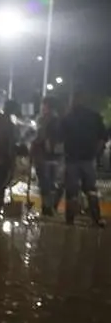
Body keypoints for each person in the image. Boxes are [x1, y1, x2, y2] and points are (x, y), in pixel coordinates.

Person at [62, 90, 106, 227]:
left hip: (72, 159)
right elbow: (102, 138)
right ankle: (96, 218)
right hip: (88, 159)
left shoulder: (68, 117)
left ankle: (70, 220)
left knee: (72, 192)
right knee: (91, 190)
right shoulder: (94, 116)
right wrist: (95, 153)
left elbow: (60, 138)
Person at [31, 97, 64, 217]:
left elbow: (40, 137)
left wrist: (33, 145)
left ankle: (47, 208)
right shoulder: (60, 120)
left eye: (43, 105)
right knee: (52, 183)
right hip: (56, 158)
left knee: (45, 184)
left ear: (46, 106)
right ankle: (51, 207)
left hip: (44, 157)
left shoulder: (44, 120)